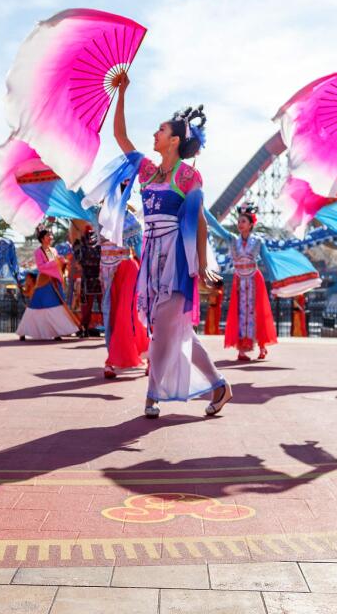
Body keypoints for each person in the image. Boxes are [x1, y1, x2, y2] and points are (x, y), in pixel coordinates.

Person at [85, 73, 230, 419]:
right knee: (177, 329)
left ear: (175, 140)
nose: (155, 134)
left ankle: (152, 394)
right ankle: (219, 385)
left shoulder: (188, 176)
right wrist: (121, 93)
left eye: (161, 130)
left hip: (177, 257)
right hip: (152, 253)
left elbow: (199, 219)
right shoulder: (147, 170)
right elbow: (119, 135)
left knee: (165, 327)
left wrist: (203, 261)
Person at [222, 203, 278, 362]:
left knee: (258, 311)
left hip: (254, 279)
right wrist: (201, 210)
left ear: (251, 224)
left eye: (243, 222)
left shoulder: (258, 241)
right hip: (239, 279)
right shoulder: (232, 239)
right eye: (239, 221)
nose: (240, 224)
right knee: (240, 313)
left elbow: (267, 261)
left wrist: (275, 281)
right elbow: (216, 227)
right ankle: (241, 349)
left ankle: (262, 346)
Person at [100, 208, 148, 378]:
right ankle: (111, 359)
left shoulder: (129, 217)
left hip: (127, 269)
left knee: (130, 314)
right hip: (107, 272)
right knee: (110, 314)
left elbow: (139, 247)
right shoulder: (99, 213)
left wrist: (147, 273)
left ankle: (149, 355)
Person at [17, 224, 80, 341]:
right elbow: (41, 267)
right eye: (48, 235)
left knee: (55, 307)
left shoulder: (52, 250)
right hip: (43, 283)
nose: (50, 237)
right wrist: (56, 262)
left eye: (50, 235)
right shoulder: (38, 252)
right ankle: (23, 331)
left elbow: (54, 265)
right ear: (42, 238)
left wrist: (62, 262)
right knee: (34, 307)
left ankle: (57, 332)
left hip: (53, 283)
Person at [70, 221, 102, 337]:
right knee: (92, 305)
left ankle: (85, 328)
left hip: (92, 277)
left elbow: (79, 259)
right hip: (95, 277)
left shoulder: (83, 243)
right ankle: (85, 327)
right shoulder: (98, 242)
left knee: (90, 305)